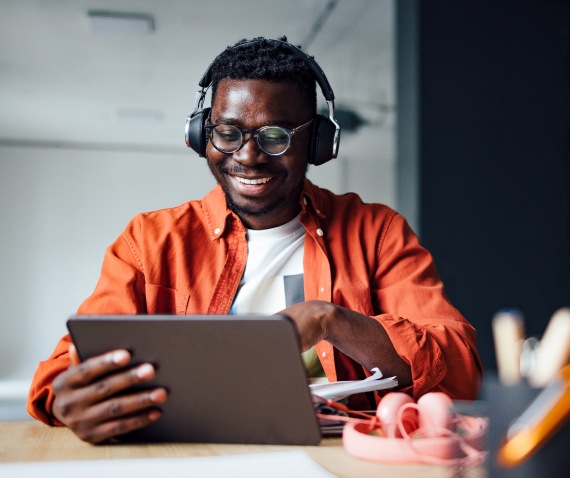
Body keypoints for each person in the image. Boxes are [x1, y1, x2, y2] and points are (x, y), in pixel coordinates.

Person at [27, 37, 482, 444]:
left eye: (275, 136)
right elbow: (62, 373)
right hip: (194, 459)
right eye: (228, 133)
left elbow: (461, 371)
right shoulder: (148, 241)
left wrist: (327, 319)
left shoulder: (377, 233)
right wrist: (70, 398)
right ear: (202, 136)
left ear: (319, 143)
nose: (247, 156)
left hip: (338, 459)